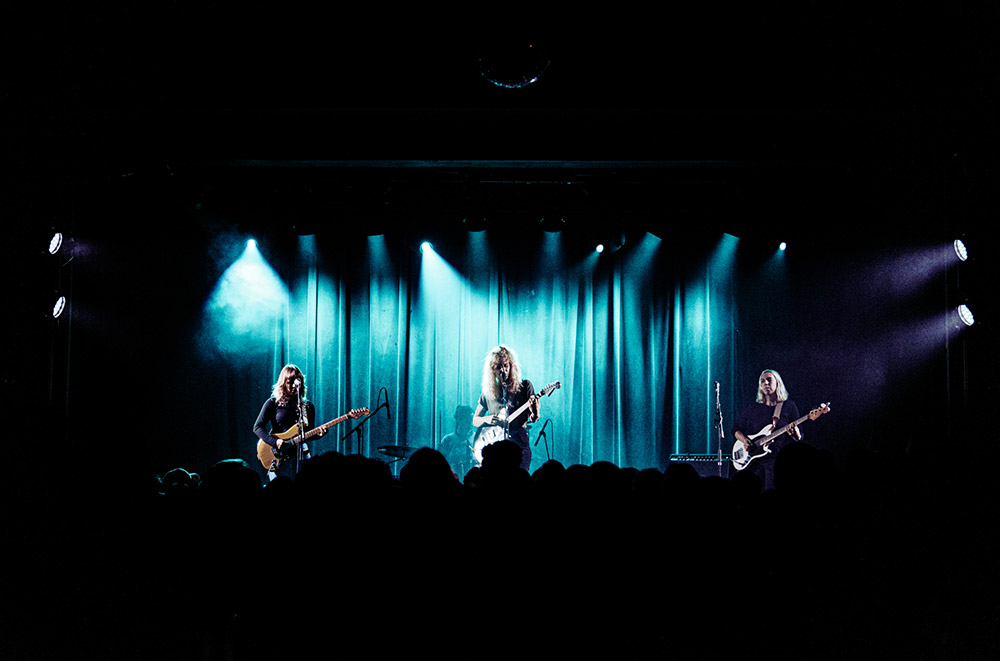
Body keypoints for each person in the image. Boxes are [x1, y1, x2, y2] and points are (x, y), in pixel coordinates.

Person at [472, 345, 539, 472]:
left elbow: (534, 418)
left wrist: (535, 408)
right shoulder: (488, 392)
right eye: (499, 367)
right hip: (495, 447)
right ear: (492, 369)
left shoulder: (524, 386)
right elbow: (475, 420)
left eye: (506, 365)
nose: (503, 370)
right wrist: (486, 419)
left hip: (518, 444)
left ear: (512, 365)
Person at [732, 369, 802, 491]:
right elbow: (736, 429)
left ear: (777, 383)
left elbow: (800, 437)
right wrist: (744, 441)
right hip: (753, 460)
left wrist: (795, 434)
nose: (766, 383)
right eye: (762, 381)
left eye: (769, 380)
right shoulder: (753, 407)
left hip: (777, 459)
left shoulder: (788, 406)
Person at [253, 364, 325, 480]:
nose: (293, 386)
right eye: (289, 382)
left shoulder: (307, 406)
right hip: (279, 454)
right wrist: (275, 442)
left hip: (300, 452)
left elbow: (308, 433)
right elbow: (257, 427)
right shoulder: (273, 403)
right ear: (283, 383)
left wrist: (319, 434)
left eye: (297, 382)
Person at [439, 405, 475, 478]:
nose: (471, 423)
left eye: (472, 420)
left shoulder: (478, 438)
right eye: (468, 420)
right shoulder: (447, 440)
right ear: (459, 419)